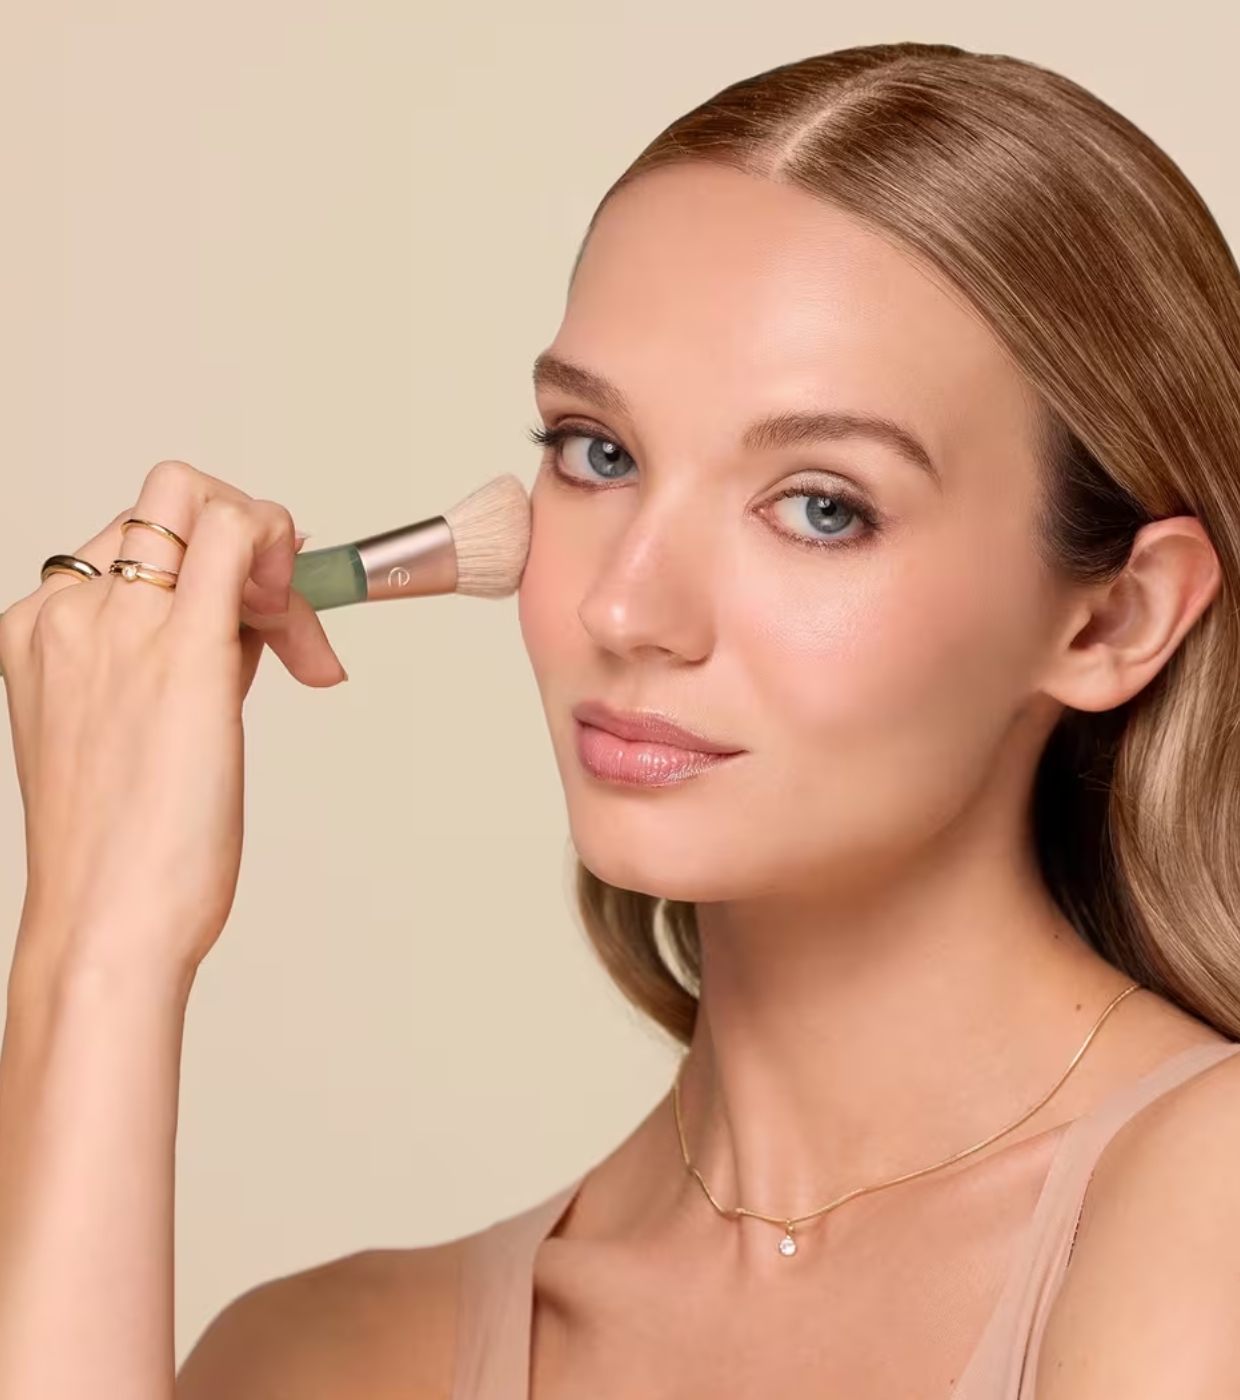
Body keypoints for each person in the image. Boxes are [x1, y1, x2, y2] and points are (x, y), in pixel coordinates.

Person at [3, 36, 1240, 1399]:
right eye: (598, 453)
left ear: (1114, 619)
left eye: (822, 506)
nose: (626, 606)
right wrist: (100, 949)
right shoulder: (323, 1358)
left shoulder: (1210, 1206)